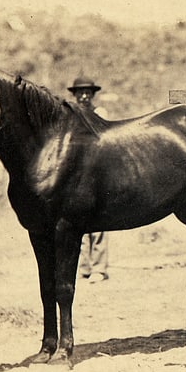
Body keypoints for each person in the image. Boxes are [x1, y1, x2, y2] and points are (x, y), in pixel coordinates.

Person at [68, 75, 110, 283]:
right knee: (79, 221)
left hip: (98, 169)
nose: (84, 96)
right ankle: (83, 266)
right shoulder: (69, 115)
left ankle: (99, 267)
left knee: (99, 222)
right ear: (75, 95)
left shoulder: (99, 114)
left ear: (92, 95)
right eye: (80, 93)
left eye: (87, 93)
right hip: (77, 172)